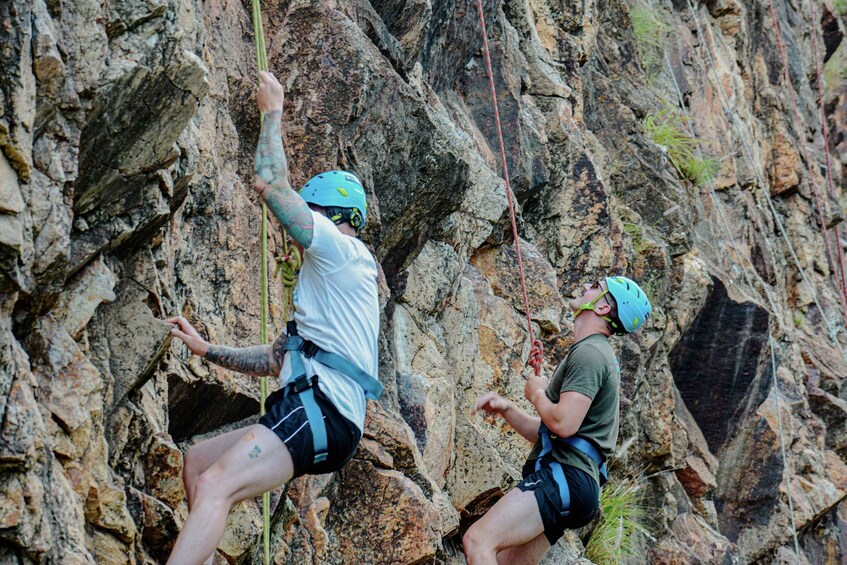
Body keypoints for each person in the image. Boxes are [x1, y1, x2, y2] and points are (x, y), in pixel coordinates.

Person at [164, 71, 380, 564]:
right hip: (318, 410)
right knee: (200, 467)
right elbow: (278, 359)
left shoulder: (339, 248)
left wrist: (273, 111)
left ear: (327, 212)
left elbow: (270, 183)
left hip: (321, 410)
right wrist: (206, 350)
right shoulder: (336, 281)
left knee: (217, 484)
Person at [463, 276, 652, 564]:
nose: (586, 286)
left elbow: (564, 424)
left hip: (566, 476)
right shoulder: (594, 353)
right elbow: (556, 433)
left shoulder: (590, 354)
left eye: (596, 287)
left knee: (478, 540)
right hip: (577, 485)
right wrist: (508, 410)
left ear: (602, 308)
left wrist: (537, 393)